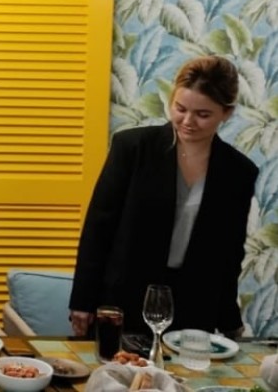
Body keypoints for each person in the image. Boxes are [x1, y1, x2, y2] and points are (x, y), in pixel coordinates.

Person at [69, 55, 258, 338]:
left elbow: (229, 254)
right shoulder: (132, 148)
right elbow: (98, 229)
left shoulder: (238, 172)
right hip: (122, 300)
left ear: (226, 113)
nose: (188, 121)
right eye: (180, 108)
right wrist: (82, 301)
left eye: (203, 114)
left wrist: (230, 320)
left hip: (194, 307)